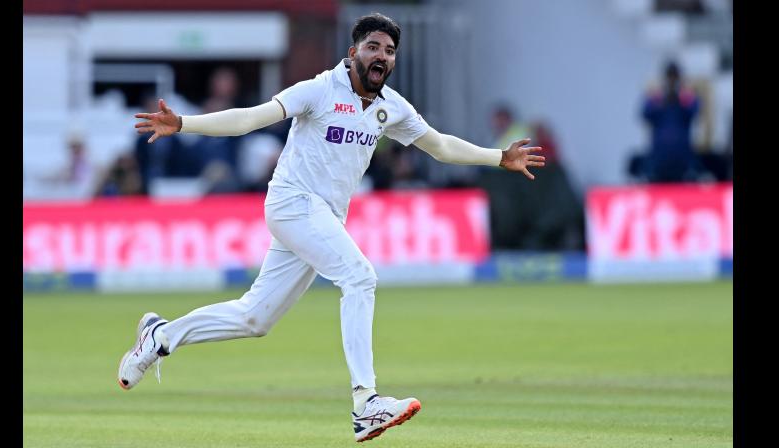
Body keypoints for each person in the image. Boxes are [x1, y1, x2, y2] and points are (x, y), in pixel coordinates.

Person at [120, 13, 545, 443]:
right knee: (360, 276)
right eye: (373, 47)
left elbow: (438, 146)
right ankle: (366, 403)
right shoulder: (319, 89)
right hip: (292, 203)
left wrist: (498, 157)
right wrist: (184, 124)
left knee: (255, 318)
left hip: (320, 217)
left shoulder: (390, 107)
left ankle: (161, 336)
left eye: (390, 50)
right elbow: (252, 118)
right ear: (353, 52)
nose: (382, 56)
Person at [641, 60, 701, 183]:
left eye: (675, 76)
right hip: (659, 157)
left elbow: (695, 110)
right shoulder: (657, 97)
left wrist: (679, 101)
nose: (672, 79)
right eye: (670, 75)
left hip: (683, 157)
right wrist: (663, 103)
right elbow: (645, 113)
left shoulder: (687, 96)